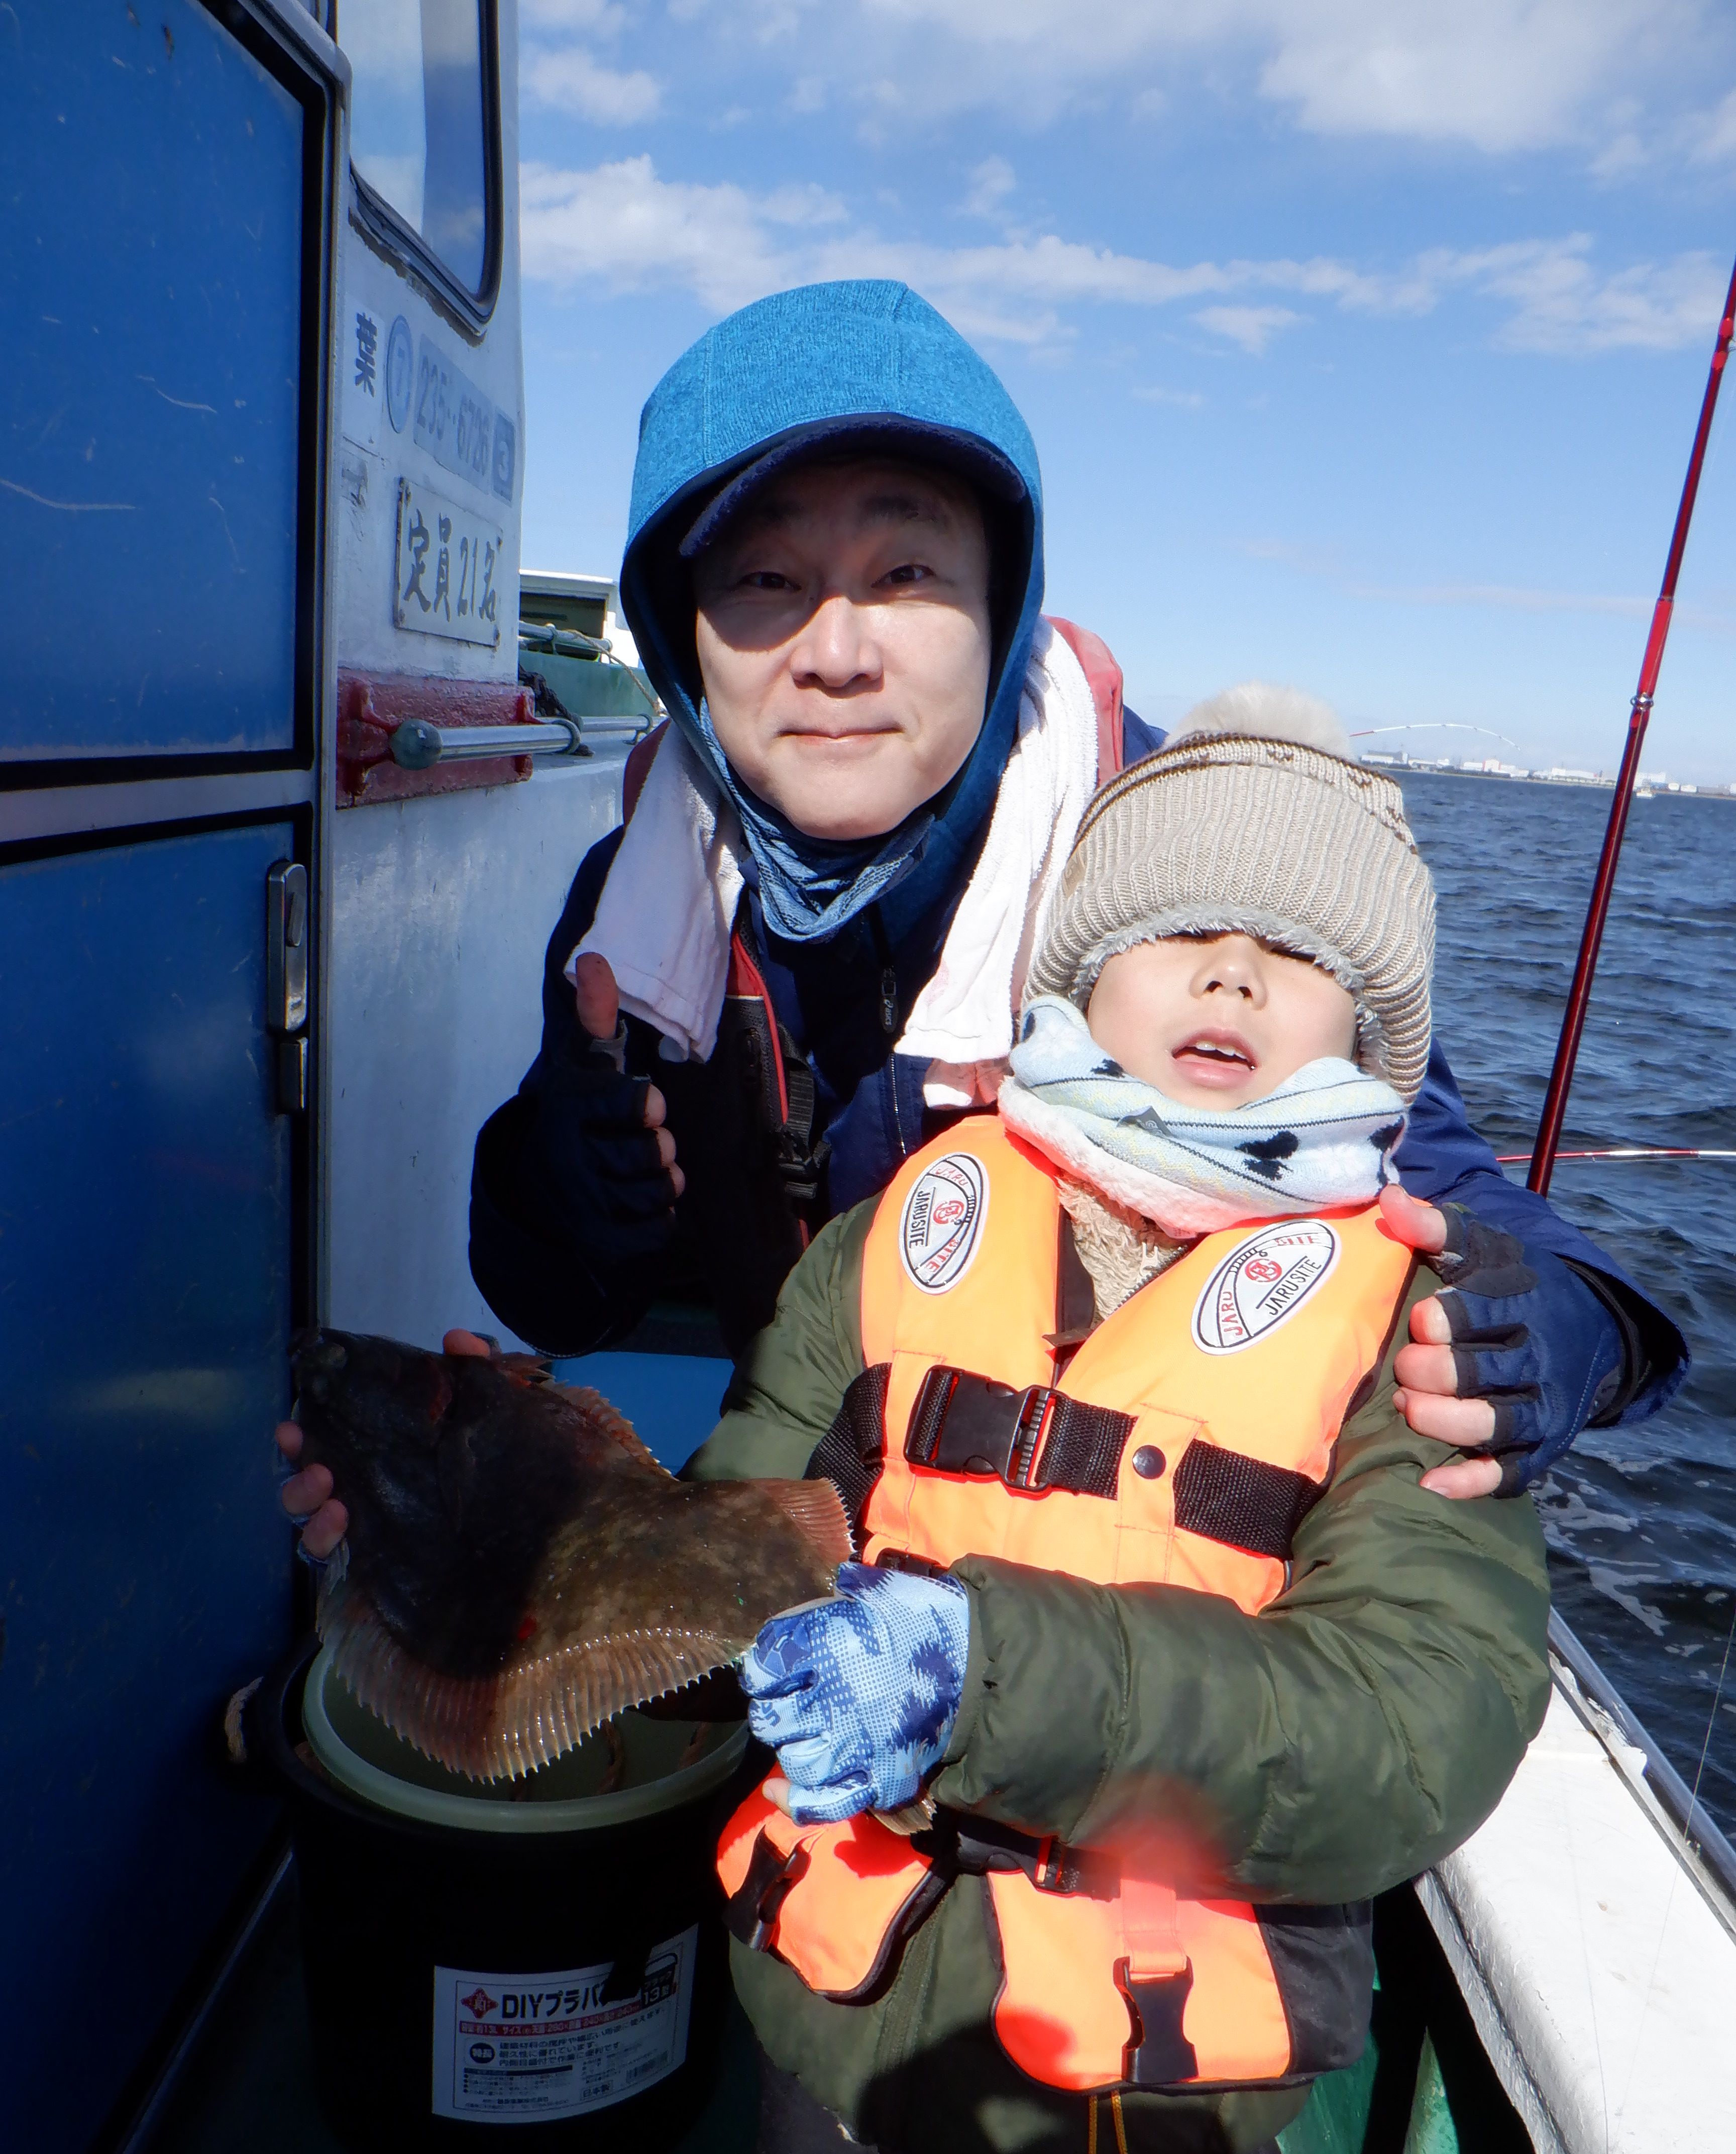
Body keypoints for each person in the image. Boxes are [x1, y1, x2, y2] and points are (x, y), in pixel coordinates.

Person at [281, 280, 1684, 1545]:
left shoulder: (1190, 870)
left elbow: (1445, 1188)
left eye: (906, 574)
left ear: (1003, 605)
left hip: (1142, 1582)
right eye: (763, 580)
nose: (835, 652)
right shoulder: (636, 911)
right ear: (680, 630)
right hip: (815, 1519)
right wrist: (560, 1189)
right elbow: (560, 1307)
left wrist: (1578, 1326)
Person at [700, 691, 1554, 2154]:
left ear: (1371, 1034)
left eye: (1301, 953)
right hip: (842, 2025)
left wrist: (989, 1678)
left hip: (1161, 2106)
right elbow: (723, 1544)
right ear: (1081, 972)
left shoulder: (1418, 1333)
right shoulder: (900, 1229)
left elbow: (1416, 1722)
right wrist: (491, 1536)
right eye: (1177, 931)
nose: (1233, 976)